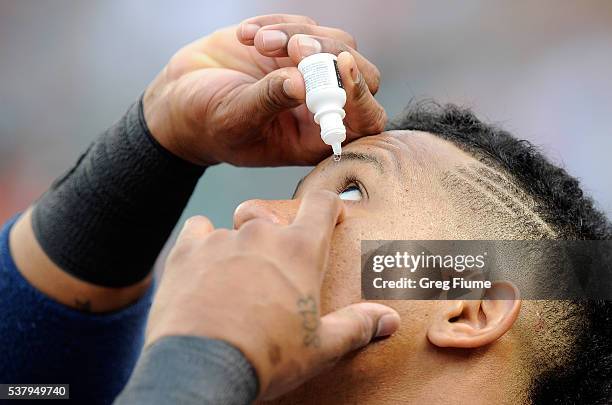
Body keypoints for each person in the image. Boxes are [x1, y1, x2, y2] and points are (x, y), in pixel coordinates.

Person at [0, 13, 393, 404]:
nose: (250, 213)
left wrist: (197, 361)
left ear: (456, 310)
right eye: (299, 196)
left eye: (351, 194)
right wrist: (155, 140)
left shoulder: (450, 270)